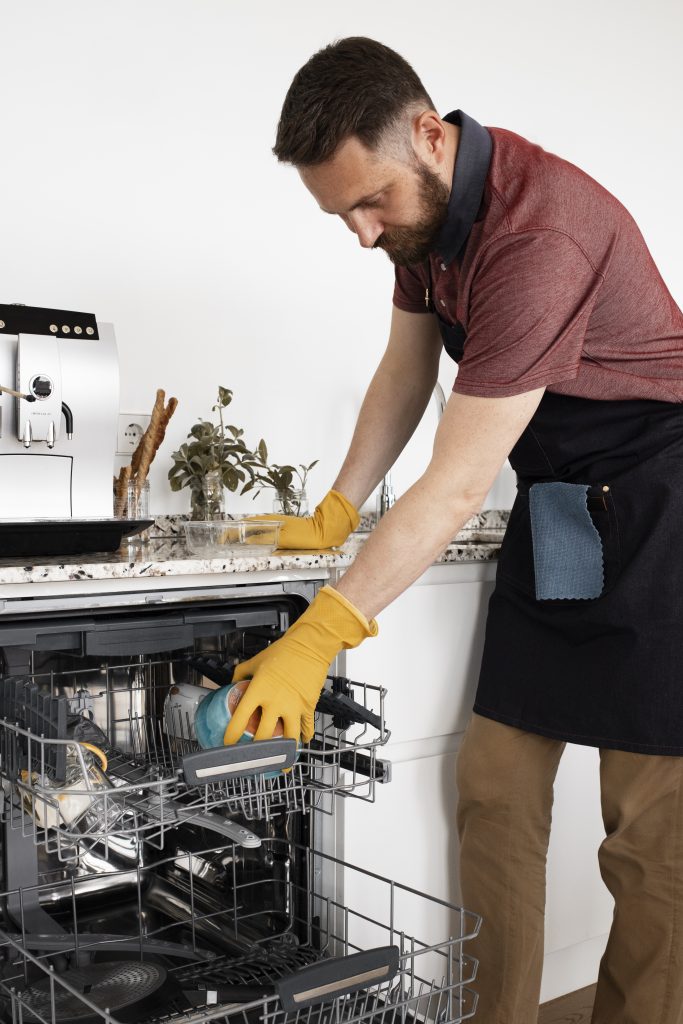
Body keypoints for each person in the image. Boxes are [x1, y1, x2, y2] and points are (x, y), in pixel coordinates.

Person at [223, 36, 683, 1023]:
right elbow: (406, 371)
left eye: (367, 200)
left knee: (651, 842)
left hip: (661, 507)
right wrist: (335, 506)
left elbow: (456, 478)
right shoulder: (421, 229)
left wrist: (322, 631)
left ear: (428, 136)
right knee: (493, 791)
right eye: (338, 211)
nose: (357, 230)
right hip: (563, 503)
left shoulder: (536, 233)